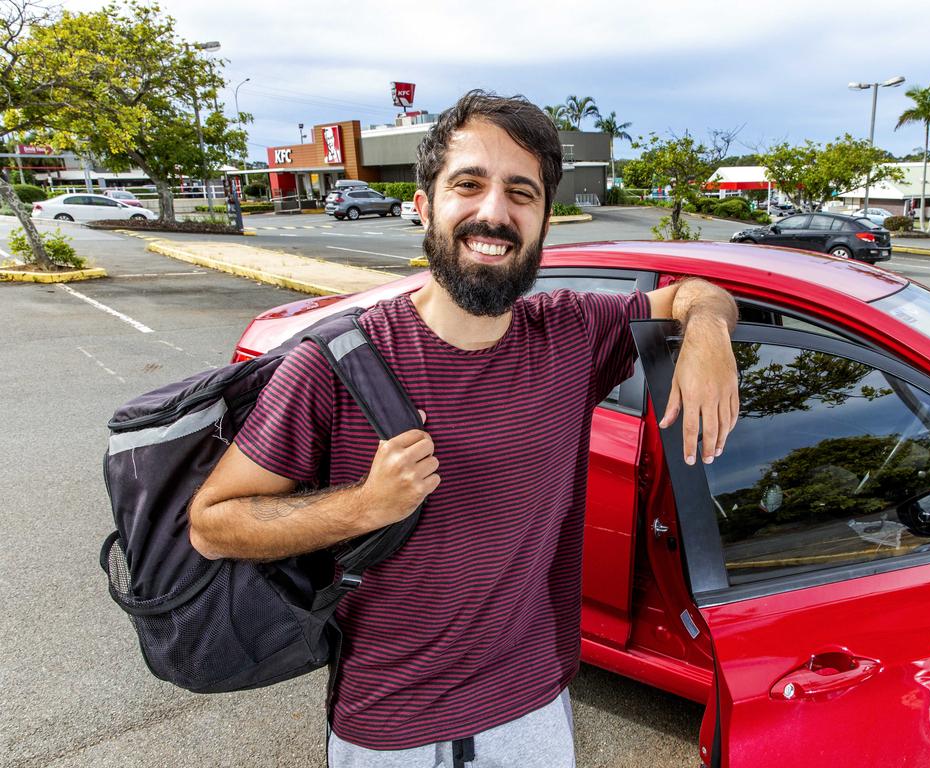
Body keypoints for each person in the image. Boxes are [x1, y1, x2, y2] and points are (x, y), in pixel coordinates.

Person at [188, 90, 739, 767]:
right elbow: (212, 524)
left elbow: (695, 292)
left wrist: (708, 329)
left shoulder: (571, 334)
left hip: (532, 710)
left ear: (543, 221)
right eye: (468, 185)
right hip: (391, 726)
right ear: (424, 206)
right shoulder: (333, 363)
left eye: (521, 193)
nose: (493, 213)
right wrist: (364, 506)